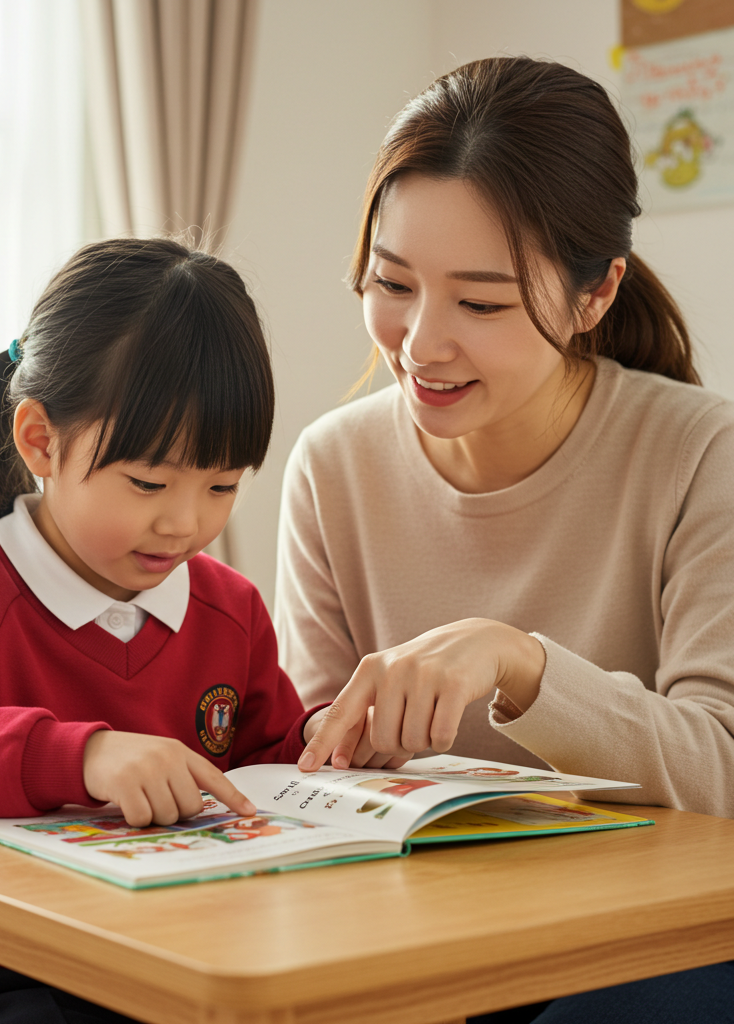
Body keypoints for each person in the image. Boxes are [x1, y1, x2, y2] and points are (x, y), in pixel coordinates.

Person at [276, 57, 734, 1024]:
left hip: (654, 942)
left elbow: (721, 772)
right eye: (392, 283)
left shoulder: (701, 454)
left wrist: (521, 664)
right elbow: (308, 762)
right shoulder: (333, 465)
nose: (420, 342)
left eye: (480, 303)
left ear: (596, 295)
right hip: (425, 932)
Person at [0, 237, 341, 1024]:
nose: (185, 522)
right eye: (147, 482)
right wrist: (82, 754)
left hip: (181, 957)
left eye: (222, 486)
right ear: (41, 441)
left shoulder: (229, 609)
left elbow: (267, 769)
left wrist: (334, 744)